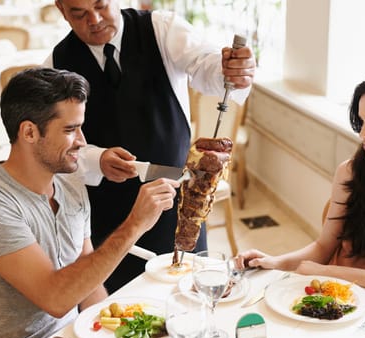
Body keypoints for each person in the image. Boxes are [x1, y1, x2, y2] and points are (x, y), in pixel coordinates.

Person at [0, 67, 180, 338]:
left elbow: (88, 285)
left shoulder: (71, 183)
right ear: (29, 132)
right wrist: (134, 224)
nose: (83, 141)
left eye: (80, 127)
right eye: (70, 129)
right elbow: (56, 299)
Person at [48, 0, 256, 293]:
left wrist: (233, 70)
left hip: (175, 202)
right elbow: (56, 147)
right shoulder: (57, 62)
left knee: (185, 293)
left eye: (101, 5)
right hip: (105, 212)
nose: (94, 20)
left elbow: (207, 66)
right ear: (60, 9)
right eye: (78, 14)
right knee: (120, 306)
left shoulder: (161, 29)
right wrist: (97, 159)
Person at [236, 70, 365, 298]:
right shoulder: (350, 173)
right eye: (362, 122)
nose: (363, 134)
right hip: (335, 300)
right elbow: (323, 247)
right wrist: (273, 262)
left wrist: (330, 272)